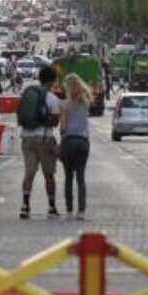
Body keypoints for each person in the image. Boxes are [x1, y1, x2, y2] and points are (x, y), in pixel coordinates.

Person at [17, 66, 63, 219]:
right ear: (53, 80)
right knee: (49, 174)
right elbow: (55, 122)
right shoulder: (51, 98)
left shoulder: (29, 94)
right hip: (44, 139)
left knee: (29, 173)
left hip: (27, 139)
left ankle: (25, 206)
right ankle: (51, 206)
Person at [57, 73, 93, 218]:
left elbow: (63, 128)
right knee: (81, 178)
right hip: (83, 142)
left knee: (68, 177)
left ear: (67, 87)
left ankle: (70, 211)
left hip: (69, 142)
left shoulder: (64, 105)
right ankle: (81, 211)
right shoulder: (86, 102)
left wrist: (62, 134)